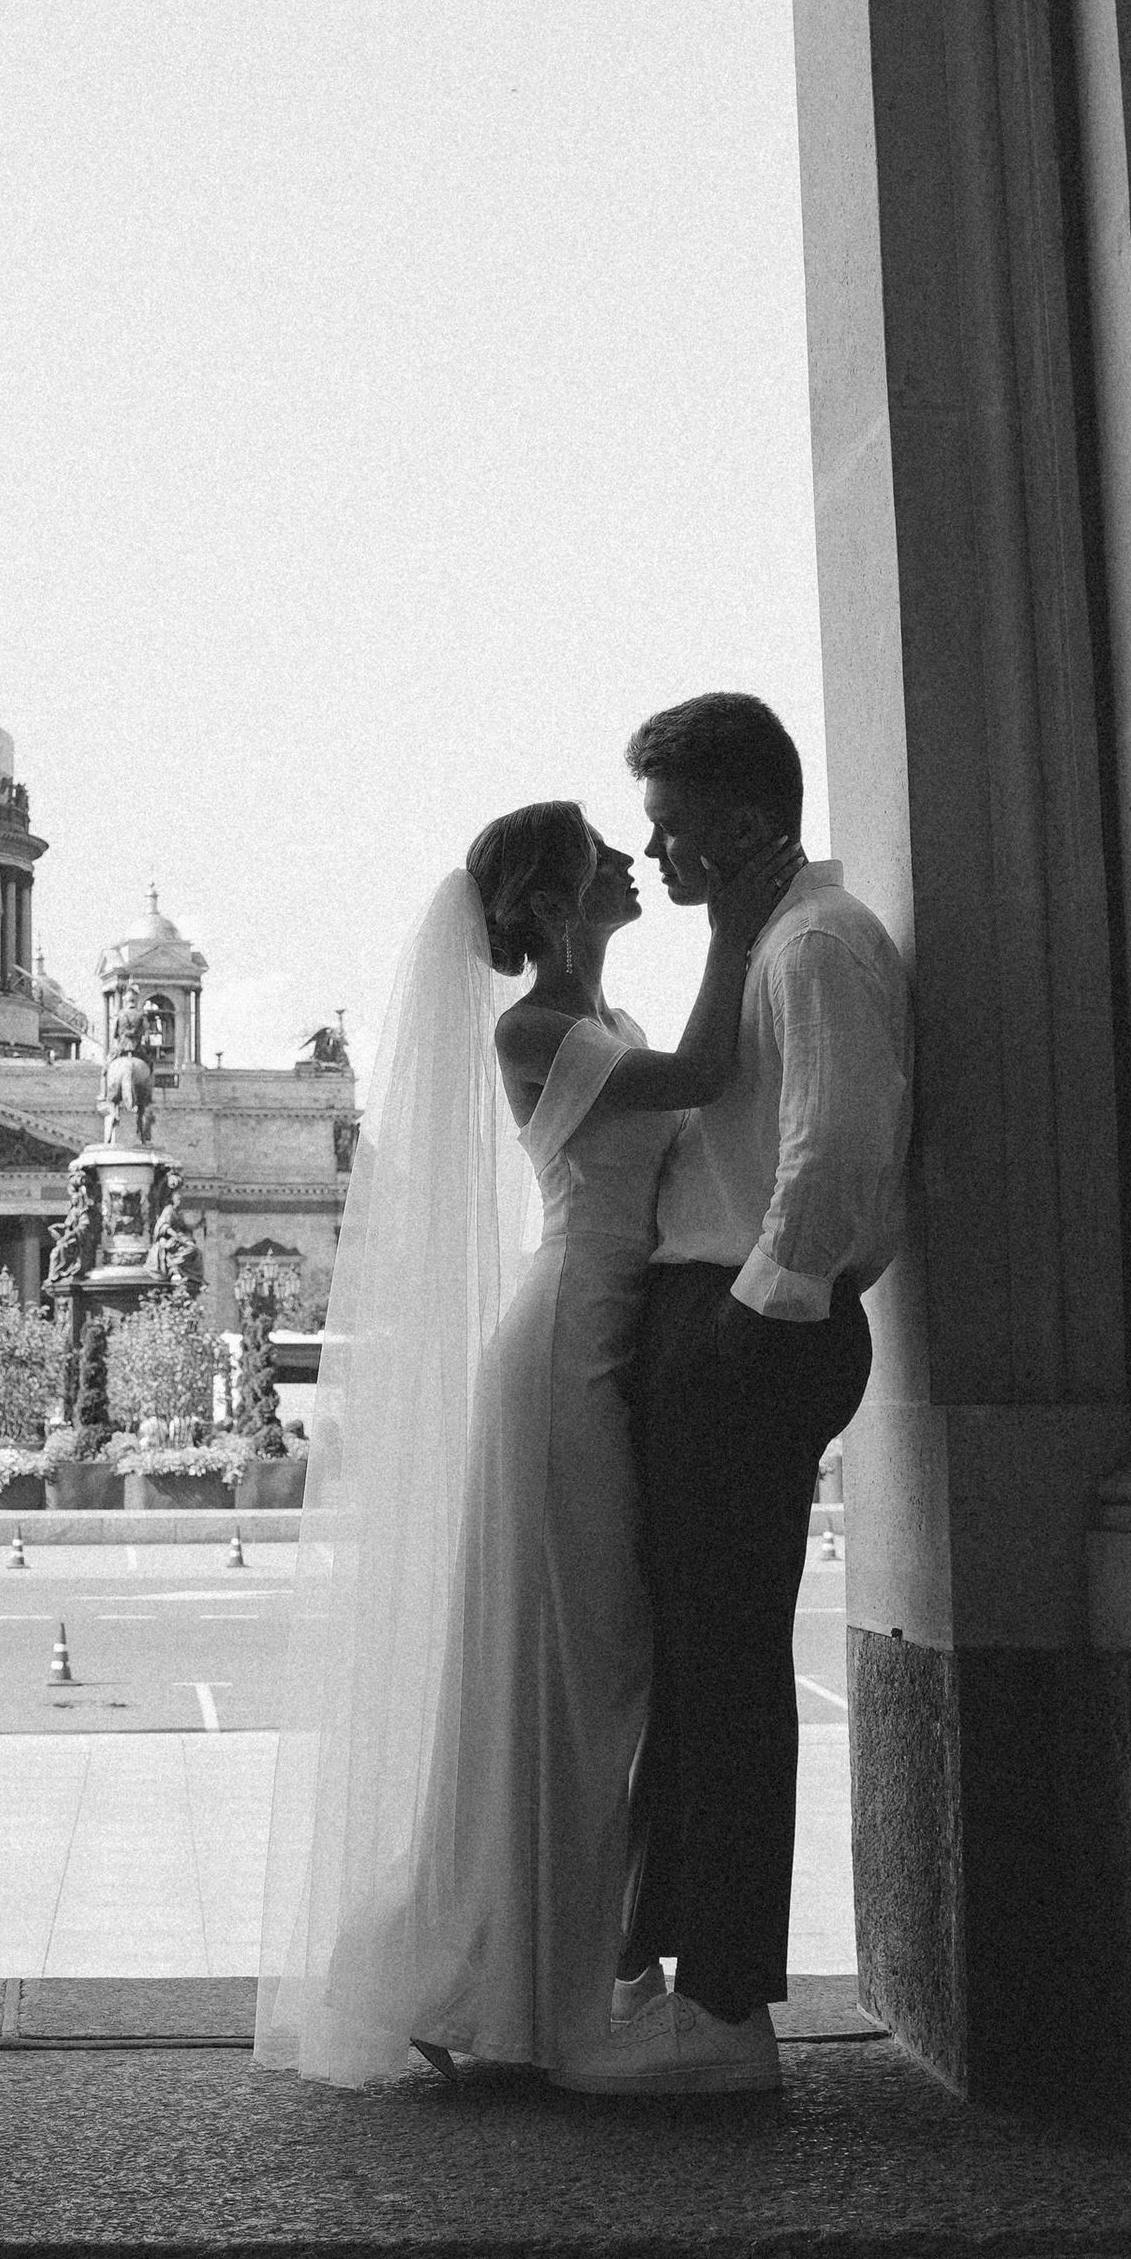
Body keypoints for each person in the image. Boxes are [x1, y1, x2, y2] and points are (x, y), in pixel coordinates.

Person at [254, 799, 797, 2086]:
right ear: (553, 905)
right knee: (579, 1663)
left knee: (590, 1660)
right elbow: (706, 1078)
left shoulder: (605, 1025)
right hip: (561, 1355)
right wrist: (733, 920)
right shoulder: (536, 1028)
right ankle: (531, 1987)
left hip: (601, 1345)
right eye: (602, 859)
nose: (625, 866)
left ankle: (514, 1966)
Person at [555, 691, 910, 2100]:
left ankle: (725, 2018)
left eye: (672, 823)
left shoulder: (817, 942)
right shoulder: (769, 941)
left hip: (752, 1319)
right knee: (702, 1668)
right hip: (722, 1317)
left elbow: (838, 1150)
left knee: (727, 1676)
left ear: (747, 819)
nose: (655, 851)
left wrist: (751, 1320)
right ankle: (676, 1984)